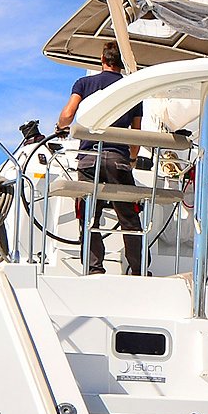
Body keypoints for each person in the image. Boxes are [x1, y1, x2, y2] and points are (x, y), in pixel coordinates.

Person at [56, 42, 144, 276]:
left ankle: (94, 269)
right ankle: (138, 270)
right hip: (117, 160)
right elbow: (135, 135)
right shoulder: (132, 90)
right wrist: (132, 160)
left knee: (88, 217)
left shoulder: (84, 84)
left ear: (102, 60)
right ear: (121, 63)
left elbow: (67, 115)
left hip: (88, 161)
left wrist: (60, 126)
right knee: (129, 219)